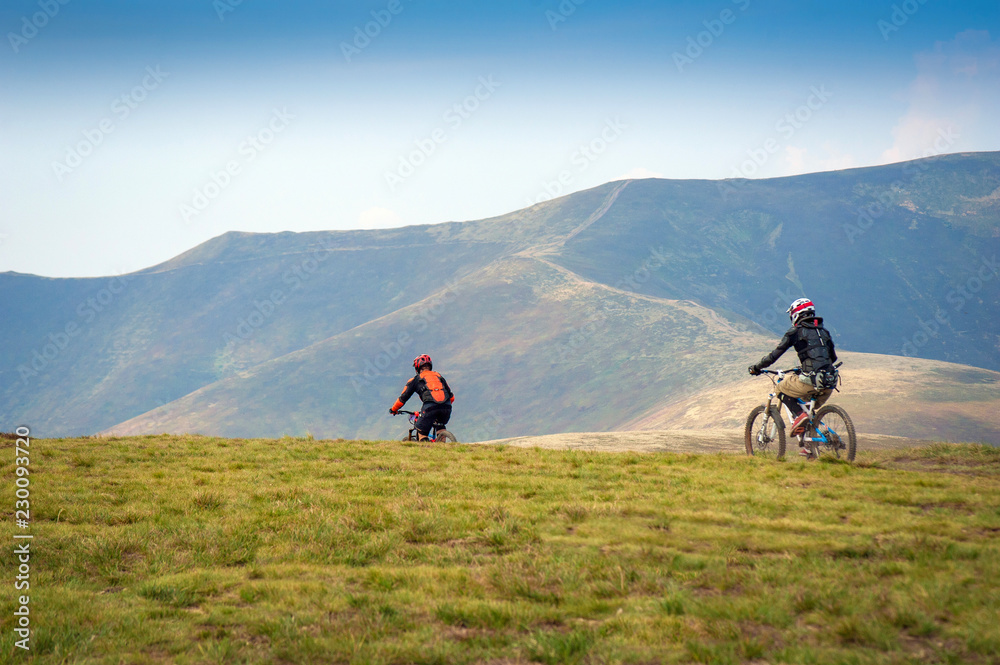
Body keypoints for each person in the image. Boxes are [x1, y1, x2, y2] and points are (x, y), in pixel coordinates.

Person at [748, 298, 839, 452]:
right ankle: (810, 448)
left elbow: (774, 355)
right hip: (829, 382)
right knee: (808, 411)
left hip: (811, 380)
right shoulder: (824, 332)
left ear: (796, 314)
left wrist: (756, 367)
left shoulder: (795, 332)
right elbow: (832, 358)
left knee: (780, 388)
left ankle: (798, 415)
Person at [390, 354, 455, 441]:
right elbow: (452, 397)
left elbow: (403, 398)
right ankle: (443, 446)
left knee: (422, 431)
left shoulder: (415, 379)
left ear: (417, 367)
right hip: (447, 407)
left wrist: (394, 409)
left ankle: (425, 450)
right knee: (440, 425)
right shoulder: (438, 376)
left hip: (430, 407)